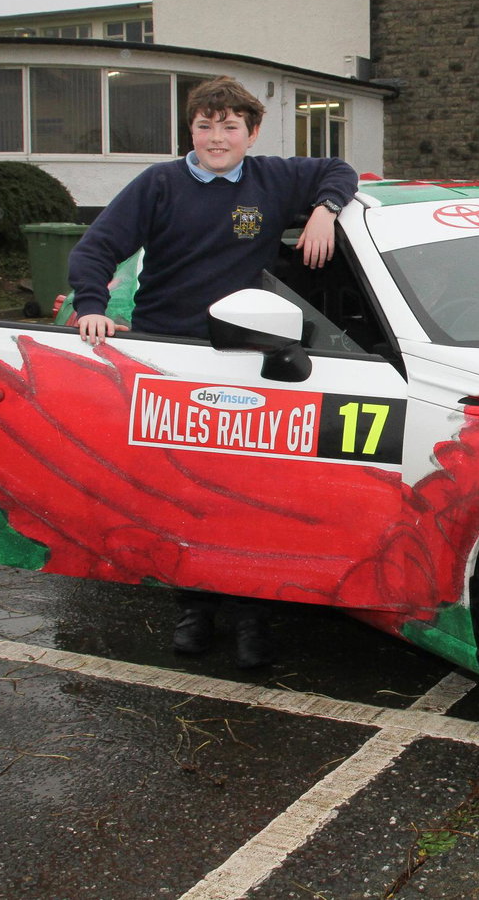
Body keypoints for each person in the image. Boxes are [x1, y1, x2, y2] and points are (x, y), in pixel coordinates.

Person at [66, 75, 359, 668]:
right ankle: (194, 608)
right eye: (205, 125)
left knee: (246, 494)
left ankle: (252, 617)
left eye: (230, 127)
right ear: (191, 130)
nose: (216, 137)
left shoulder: (271, 178)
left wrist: (325, 211)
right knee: (181, 489)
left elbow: (338, 169)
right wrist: (91, 307)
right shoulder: (160, 184)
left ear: (251, 133)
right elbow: (95, 248)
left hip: (244, 355)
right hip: (170, 355)